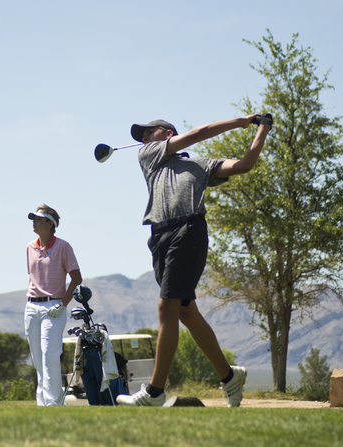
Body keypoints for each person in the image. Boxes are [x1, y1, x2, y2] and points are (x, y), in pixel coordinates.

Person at [115, 114, 273, 408]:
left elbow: (244, 165)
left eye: (151, 131)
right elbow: (199, 133)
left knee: (167, 306)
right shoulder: (149, 156)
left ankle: (154, 392)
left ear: (168, 132)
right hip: (159, 236)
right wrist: (241, 120)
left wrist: (258, 127)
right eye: (143, 135)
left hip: (189, 232)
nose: (145, 137)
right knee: (185, 311)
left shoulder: (202, 166)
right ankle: (229, 376)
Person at [26, 204, 83, 406]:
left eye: (38, 219)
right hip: (32, 307)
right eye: (33, 218)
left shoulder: (63, 246)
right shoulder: (30, 247)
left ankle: (53, 404)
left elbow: (76, 278)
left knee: (50, 353)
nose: (34, 221)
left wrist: (62, 304)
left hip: (55, 306)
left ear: (51, 224)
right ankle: (43, 402)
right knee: (37, 357)